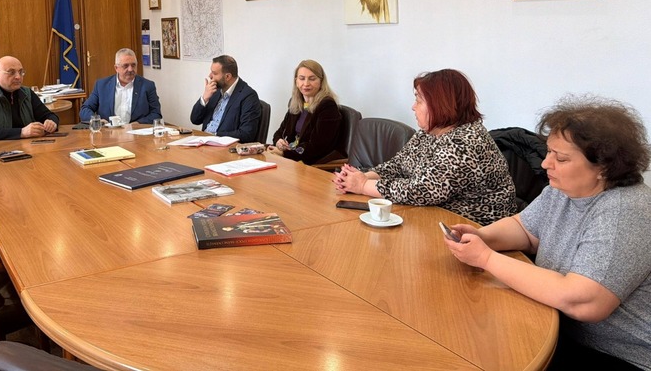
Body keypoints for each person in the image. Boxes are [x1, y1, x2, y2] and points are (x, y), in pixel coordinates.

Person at [444, 97, 651, 370]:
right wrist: (484, 237)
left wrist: (486, 258)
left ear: (604, 167)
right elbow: (525, 228)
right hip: (557, 324)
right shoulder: (563, 189)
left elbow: (583, 302)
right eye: (549, 152)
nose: (545, 164)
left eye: (560, 158)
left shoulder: (625, 210)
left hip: (619, 353)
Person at [332, 69, 516, 225]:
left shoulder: (465, 142)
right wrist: (361, 177)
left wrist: (363, 185)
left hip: (476, 230)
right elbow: (399, 165)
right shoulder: (431, 131)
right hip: (433, 218)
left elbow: (421, 191)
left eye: (419, 100)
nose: (413, 107)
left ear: (440, 104)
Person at [0, 55, 59, 149]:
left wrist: (51, 122)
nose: (18, 77)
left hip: (19, 148)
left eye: (21, 72)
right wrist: (22, 132)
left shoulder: (27, 93)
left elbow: (49, 115)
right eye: (11, 72)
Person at [266, 60, 342, 165]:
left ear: (321, 81)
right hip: (292, 159)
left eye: (312, 79)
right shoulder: (296, 102)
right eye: (302, 78)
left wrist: (285, 153)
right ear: (296, 82)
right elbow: (280, 132)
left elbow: (317, 147)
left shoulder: (327, 106)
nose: (306, 84)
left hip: (310, 163)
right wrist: (279, 142)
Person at [190, 55, 261, 143]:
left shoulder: (248, 96)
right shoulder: (215, 90)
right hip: (203, 142)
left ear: (227, 76)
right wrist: (205, 98)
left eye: (214, 73)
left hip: (223, 147)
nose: (210, 76)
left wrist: (214, 135)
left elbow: (246, 134)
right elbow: (195, 120)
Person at [79, 48, 162, 124]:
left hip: (136, 132)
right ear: (116, 68)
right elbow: (85, 109)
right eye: (125, 66)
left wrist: (138, 124)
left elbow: (156, 114)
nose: (130, 69)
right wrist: (97, 120)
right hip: (108, 133)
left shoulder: (147, 86)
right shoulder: (102, 86)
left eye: (133, 65)